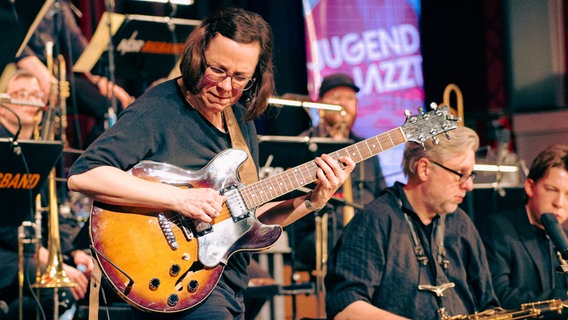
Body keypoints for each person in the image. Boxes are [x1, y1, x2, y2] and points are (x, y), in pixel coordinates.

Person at [67, 7, 354, 319]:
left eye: (240, 77)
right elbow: (84, 176)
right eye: (217, 70)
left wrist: (313, 200)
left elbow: (250, 218)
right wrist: (180, 198)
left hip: (226, 284)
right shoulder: (159, 108)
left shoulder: (241, 123)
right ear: (197, 57)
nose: (226, 87)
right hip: (177, 280)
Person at [325, 125, 499, 319]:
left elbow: (488, 304)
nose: (469, 185)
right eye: (461, 173)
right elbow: (345, 309)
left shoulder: (461, 223)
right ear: (424, 168)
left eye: (470, 175)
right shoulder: (375, 219)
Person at [0, 70, 93, 319]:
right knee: (59, 292)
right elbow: (5, 224)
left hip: (31, 250)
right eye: (21, 94)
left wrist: (73, 250)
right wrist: (45, 259)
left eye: (34, 95)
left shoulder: (45, 150)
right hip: (6, 253)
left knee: (91, 278)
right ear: (2, 106)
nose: (29, 99)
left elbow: (57, 210)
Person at [292, 73, 386, 271]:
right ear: (321, 106)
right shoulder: (304, 144)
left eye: (350, 99)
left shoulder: (366, 147)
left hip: (363, 233)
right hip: (317, 234)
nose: (345, 104)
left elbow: (380, 195)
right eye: (337, 98)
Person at [15, 0, 133, 148]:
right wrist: (39, 72)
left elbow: (77, 45)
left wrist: (103, 81)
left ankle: (88, 159)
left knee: (111, 103)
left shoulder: (59, 6)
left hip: (52, 77)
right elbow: (10, 36)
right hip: (18, 70)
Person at [479, 144, 568, 309]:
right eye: (551, 190)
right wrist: (562, 300)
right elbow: (498, 296)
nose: (559, 203)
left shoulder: (565, 237)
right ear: (530, 187)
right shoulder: (497, 228)